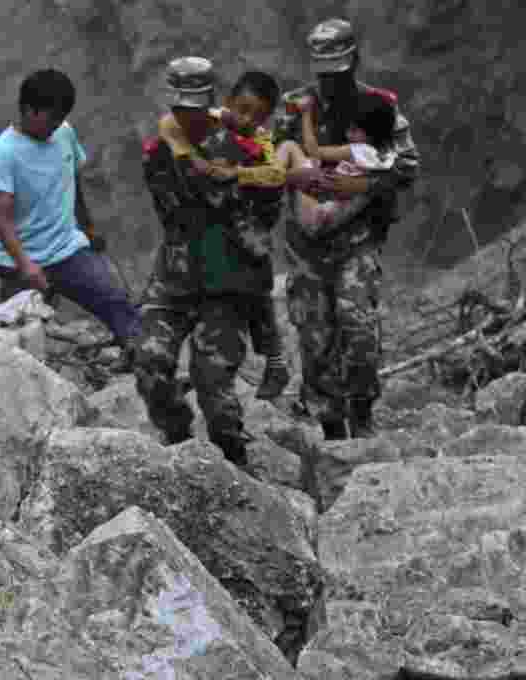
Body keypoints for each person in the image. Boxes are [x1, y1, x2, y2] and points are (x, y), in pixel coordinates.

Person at [273, 18, 420, 439]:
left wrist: (362, 184)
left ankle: (362, 413)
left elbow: (406, 168)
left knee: (358, 333)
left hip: (356, 239)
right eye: (323, 72)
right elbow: (266, 164)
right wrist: (295, 178)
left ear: (354, 60)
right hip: (307, 242)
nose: (330, 82)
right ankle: (332, 428)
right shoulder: (295, 106)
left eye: (337, 71)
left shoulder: (379, 107)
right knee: (315, 337)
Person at [135, 57, 285, 466]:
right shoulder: (161, 150)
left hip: (227, 287)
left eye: (195, 109)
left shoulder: (251, 147)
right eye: (180, 109)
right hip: (176, 279)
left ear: (210, 105)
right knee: (150, 364)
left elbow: (267, 211)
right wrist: (197, 165)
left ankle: (236, 462)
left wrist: (235, 173)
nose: (188, 117)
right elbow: (174, 208)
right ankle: (179, 438)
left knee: (214, 389)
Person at [0, 68, 140, 353]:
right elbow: (2, 221)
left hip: (69, 249)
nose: (57, 124)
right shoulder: (2, 154)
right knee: (14, 343)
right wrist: (27, 265)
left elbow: (73, 181)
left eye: (61, 117)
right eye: (51, 117)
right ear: (29, 110)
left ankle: (147, 368)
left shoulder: (64, 133)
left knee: (118, 303)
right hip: (22, 262)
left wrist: (88, 228)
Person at [205, 71, 291, 399]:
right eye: (241, 108)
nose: (245, 119)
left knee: (256, 290)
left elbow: (275, 174)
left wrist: (238, 173)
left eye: (256, 115)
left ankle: (276, 361)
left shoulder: (263, 141)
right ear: (228, 100)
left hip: (250, 227)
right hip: (213, 227)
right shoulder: (209, 124)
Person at [276, 89, 398, 237]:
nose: (348, 134)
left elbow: (313, 150)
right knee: (307, 164)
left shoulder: (357, 150)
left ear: (372, 134)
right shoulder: (386, 158)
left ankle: (268, 179)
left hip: (313, 216)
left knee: (289, 150)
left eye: (354, 130)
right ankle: (273, 176)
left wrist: (306, 113)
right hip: (329, 222)